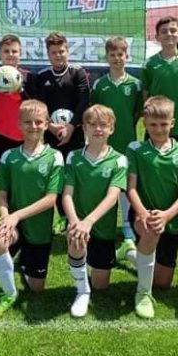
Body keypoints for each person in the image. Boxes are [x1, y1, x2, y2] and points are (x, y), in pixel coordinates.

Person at [0, 100, 64, 319]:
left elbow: (50, 199)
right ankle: (9, 293)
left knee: (36, 288)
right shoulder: (9, 156)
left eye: (38, 122)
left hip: (39, 229)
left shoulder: (54, 157)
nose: (33, 126)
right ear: (19, 124)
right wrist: (6, 219)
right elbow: (1, 196)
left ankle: (23, 262)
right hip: (14, 224)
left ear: (47, 124)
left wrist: (16, 216)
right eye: (27, 122)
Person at [126, 96, 178, 319]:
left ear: (173, 123)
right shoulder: (136, 149)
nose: (158, 129)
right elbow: (131, 189)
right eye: (153, 124)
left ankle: (130, 253)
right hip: (142, 214)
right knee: (151, 231)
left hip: (170, 218)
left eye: (164, 124)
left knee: (163, 283)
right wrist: (143, 213)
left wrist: (166, 215)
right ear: (145, 124)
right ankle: (143, 293)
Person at [62, 104, 128, 317]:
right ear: (85, 128)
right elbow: (67, 194)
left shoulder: (119, 159)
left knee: (101, 285)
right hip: (78, 222)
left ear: (112, 129)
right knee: (76, 239)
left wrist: (89, 221)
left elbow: (112, 196)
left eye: (103, 125)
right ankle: (82, 290)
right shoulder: (74, 157)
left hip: (102, 227)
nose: (98, 129)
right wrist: (74, 221)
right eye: (92, 125)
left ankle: (126, 253)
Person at [142, 16, 178, 245]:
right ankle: (149, 218)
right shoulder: (150, 64)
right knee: (152, 175)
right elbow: (146, 96)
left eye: (173, 30)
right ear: (157, 36)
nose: (169, 34)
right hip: (154, 128)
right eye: (164, 31)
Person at [90, 36, 142, 262]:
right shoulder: (99, 85)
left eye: (120, 54)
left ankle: (128, 230)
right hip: (104, 145)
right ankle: (103, 227)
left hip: (127, 143)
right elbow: (94, 114)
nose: (117, 58)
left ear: (126, 56)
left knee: (126, 188)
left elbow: (137, 113)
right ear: (107, 57)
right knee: (104, 186)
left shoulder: (135, 84)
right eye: (112, 55)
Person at [36, 31, 90, 233]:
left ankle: (77, 215)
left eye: (62, 51)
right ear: (48, 54)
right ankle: (62, 217)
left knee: (75, 175)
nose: (58, 55)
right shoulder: (42, 76)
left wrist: (71, 126)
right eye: (54, 52)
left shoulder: (78, 73)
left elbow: (84, 101)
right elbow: (40, 105)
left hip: (75, 133)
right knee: (56, 175)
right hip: (51, 134)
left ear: (67, 51)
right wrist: (50, 126)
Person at [0, 34, 36, 171]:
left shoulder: (29, 77)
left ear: (20, 54)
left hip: (23, 134)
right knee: (1, 175)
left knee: (23, 174)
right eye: (6, 51)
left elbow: (33, 107)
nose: (10, 54)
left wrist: (20, 89)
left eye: (14, 51)